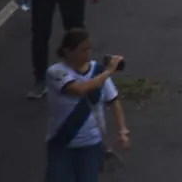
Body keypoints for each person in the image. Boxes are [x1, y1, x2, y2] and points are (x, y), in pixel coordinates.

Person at [44, 29, 128, 182]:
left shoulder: (98, 71)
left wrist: (122, 130)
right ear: (67, 51)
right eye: (83, 50)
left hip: (91, 144)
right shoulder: (55, 72)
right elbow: (78, 90)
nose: (88, 53)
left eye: (89, 48)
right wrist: (108, 71)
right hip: (61, 143)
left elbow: (113, 101)